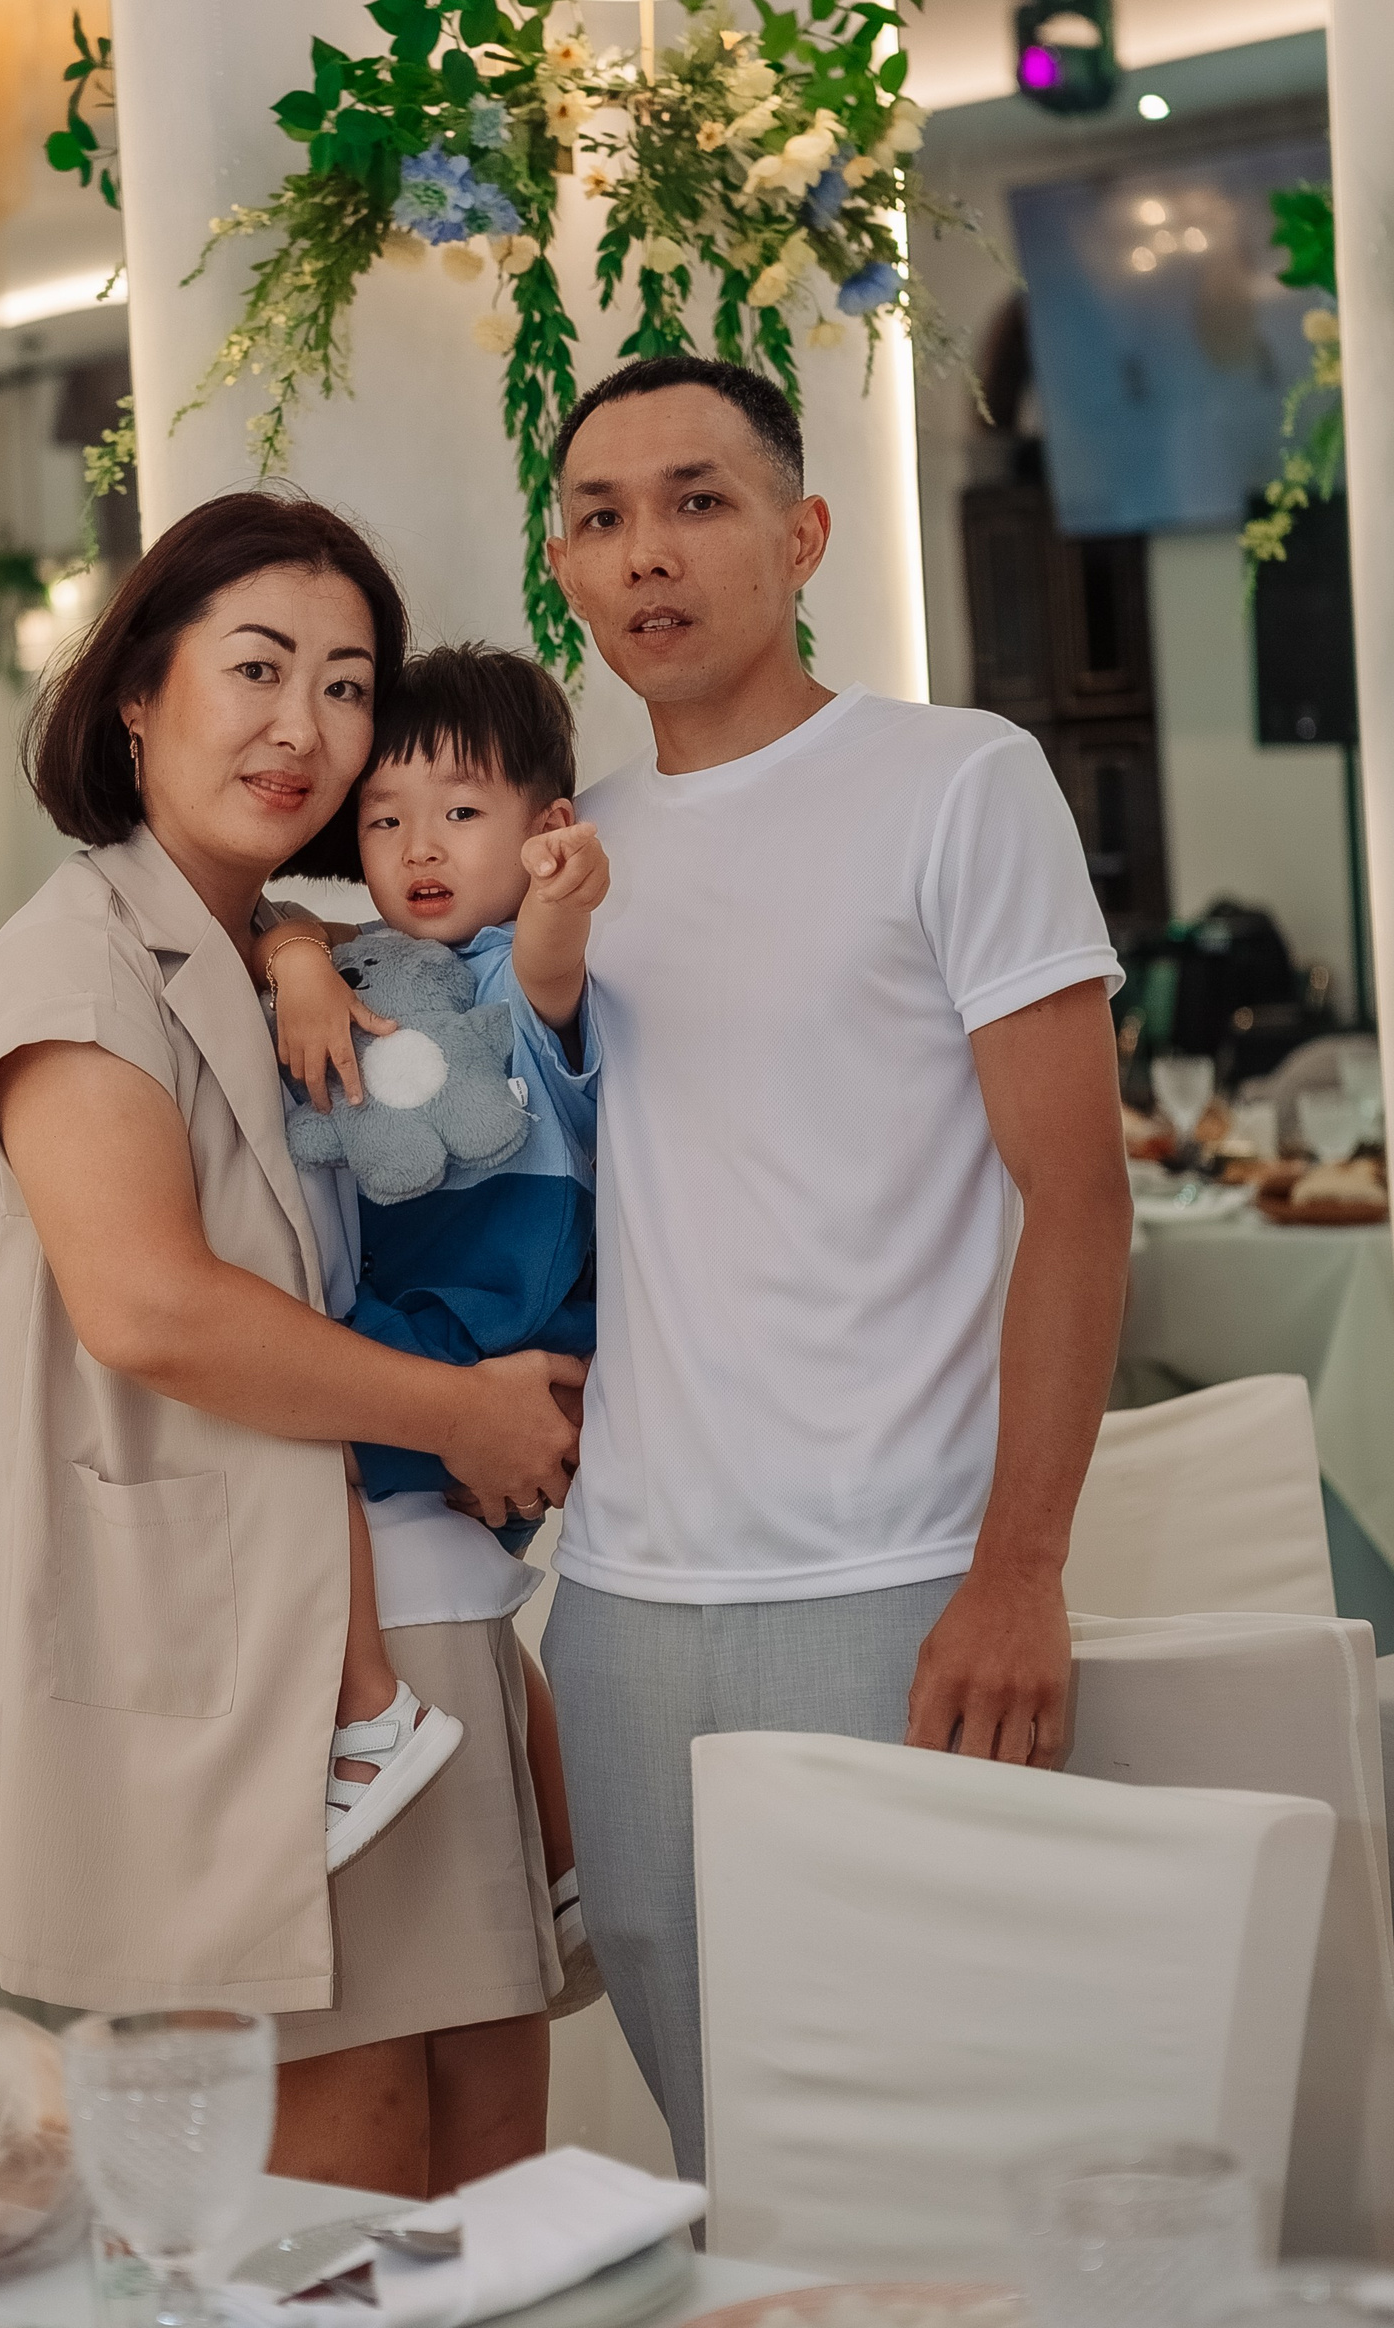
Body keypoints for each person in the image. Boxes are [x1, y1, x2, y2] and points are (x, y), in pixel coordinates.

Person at [0, 493, 586, 2198]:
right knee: (348, 2190)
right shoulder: (78, 960)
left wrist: (290, 935)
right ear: (138, 691)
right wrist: (461, 1414)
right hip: (240, 1660)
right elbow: (152, 1307)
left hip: (381, 1611)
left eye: (346, 687)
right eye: (258, 670)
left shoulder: (295, 945)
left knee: (489, 2159)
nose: (306, 727)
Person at [537, 354, 1135, 2182]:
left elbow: (1079, 1196)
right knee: (721, 2152)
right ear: (564, 569)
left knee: (933, 2148)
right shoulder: (567, 863)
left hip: (897, 1576)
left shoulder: (957, 783)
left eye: (698, 502)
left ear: (803, 537)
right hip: (623, 1600)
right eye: (601, 516)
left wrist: (1019, 1569)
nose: (649, 551)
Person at [247, 645, 609, 2007]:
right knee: (473, 1608)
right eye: (386, 819)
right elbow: (275, 919)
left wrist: (566, 897)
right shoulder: (388, 967)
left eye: (461, 812)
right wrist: (297, 955)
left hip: (491, 1322)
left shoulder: (516, 971)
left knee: (296, 1449)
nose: (420, 847)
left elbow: (556, 972)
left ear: (544, 825)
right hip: (422, 1317)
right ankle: (566, 1863)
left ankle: (375, 1716)